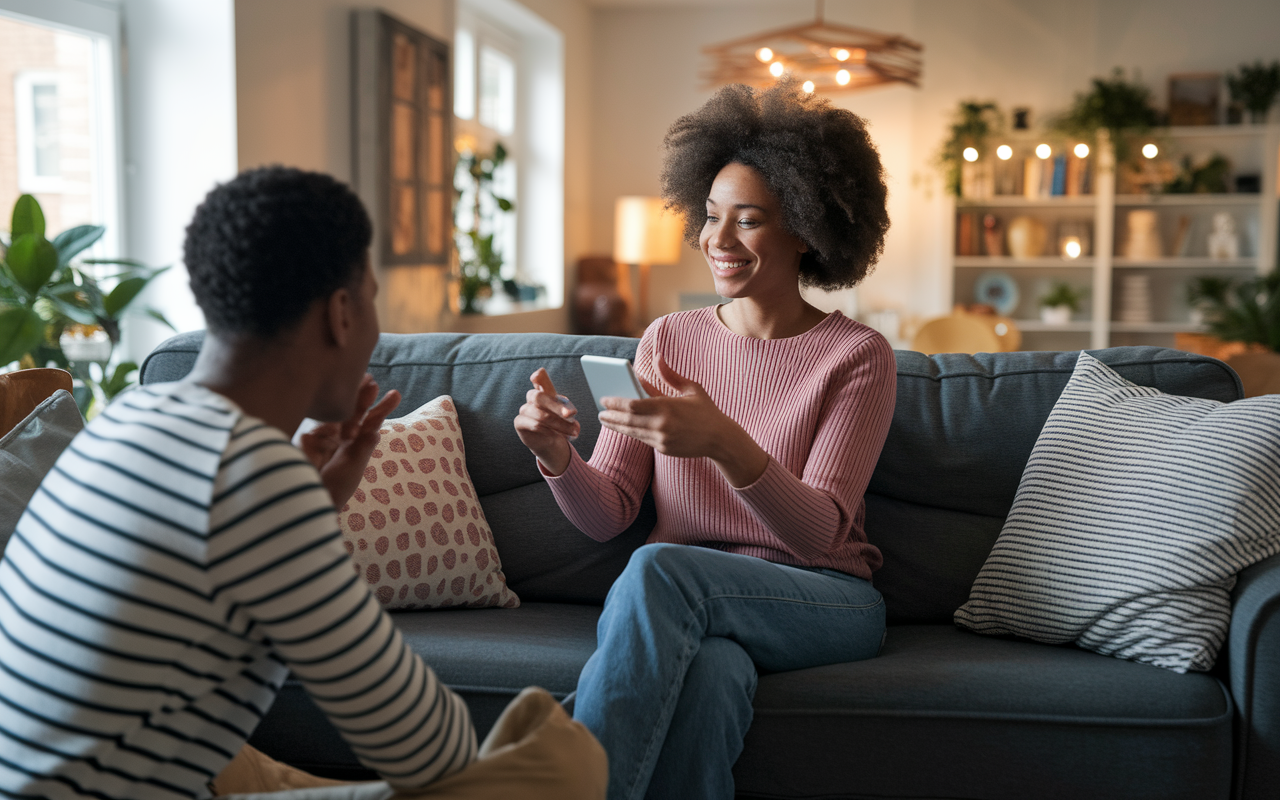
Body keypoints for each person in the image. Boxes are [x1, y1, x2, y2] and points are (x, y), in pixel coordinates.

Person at [0, 166, 606, 800]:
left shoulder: (126, 418)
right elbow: (432, 749)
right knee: (562, 763)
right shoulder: (256, 482)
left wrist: (317, 503)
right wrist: (296, 503)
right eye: (372, 297)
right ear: (342, 313)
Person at [514, 80, 896, 800]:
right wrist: (557, 457)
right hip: (694, 604)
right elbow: (611, 512)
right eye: (712, 216)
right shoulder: (668, 341)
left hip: (825, 599)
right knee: (714, 672)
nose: (717, 241)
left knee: (661, 570)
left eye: (748, 221)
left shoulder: (856, 357)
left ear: (807, 229)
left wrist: (725, 441)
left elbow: (818, 535)